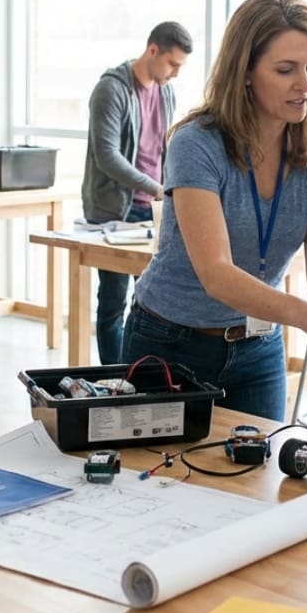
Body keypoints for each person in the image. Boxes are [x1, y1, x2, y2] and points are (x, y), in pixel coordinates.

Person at [123, 0, 307, 421]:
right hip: (171, 343)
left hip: (259, 347)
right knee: (162, 482)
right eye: (285, 70)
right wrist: (306, 315)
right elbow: (216, 273)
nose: (305, 83)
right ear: (246, 72)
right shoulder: (197, 143)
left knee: (257, 481)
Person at [82, 21, 193, 364]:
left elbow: (166, 148)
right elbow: (107, 156)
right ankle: (114, 379)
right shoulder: (111, 89)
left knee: (150, 303)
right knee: (113, 302)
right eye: (172, 64)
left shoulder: (165, 91)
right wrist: (156, 187)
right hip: (117, 211)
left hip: (156, 210)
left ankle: (139, 378)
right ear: (153, 50)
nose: (175, 73)